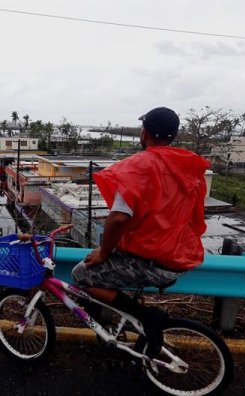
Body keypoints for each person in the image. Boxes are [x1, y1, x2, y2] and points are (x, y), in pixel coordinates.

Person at [71, 106, 210, 356]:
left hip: (151, 261)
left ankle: (146, 317)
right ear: (173, 136)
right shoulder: (187, 166)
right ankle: (120, 328)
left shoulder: (140, 167)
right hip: (178, 257)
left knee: (81, 274)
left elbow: (117, 220)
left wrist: (103, 252)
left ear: (144, 133)